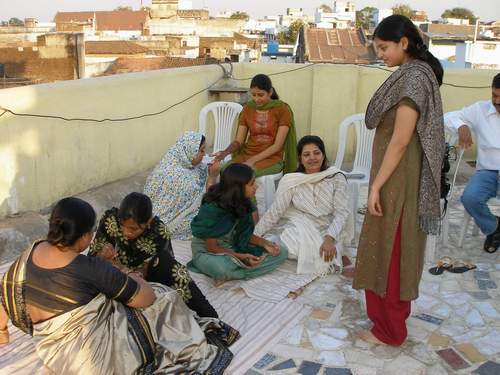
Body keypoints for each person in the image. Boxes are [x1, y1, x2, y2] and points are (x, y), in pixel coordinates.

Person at [0, 197, 238, 374]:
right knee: (164, 296)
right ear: (84, 236)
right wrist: (133, 279)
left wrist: (2, 329)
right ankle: (198, 327)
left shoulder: (28, 254)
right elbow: (147, 299)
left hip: (53, 353)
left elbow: (6, 289)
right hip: (90, 361)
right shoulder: (89, 267)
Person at [352, 15, 445, 346]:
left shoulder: (414, 80)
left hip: (399, 179)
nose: (380, 54)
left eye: (384, 47)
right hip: (395, 175)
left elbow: (402, 139)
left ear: (404, 43)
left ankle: (390, 331)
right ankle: (384, 323)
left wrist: (376, 184)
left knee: (392, 249)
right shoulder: (411, 75)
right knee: (385, 245)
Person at [89, 192, 218, 318]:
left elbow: (153, 270)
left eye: (134, 229)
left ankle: (209, 316)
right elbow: (93, 257)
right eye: (122, 226)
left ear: (149, 221)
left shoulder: (158, 232)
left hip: (143, 281)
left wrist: (124, 269)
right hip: (111, 273)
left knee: (176, 271)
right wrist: (102, 255)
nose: (126, 232)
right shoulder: (110, 219)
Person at [254, 135, 351, 276]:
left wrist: (329, 239)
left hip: (329, 229)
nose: (312, 158)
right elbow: (275, 212)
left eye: (316, 153)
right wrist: (254, 235)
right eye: (306, 154)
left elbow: (342, 213)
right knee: (281, 247)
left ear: (323, 155)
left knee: (328, 252)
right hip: (302, 225)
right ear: (300, 158)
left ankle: (337, 253)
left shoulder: (336, 177)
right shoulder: (292, 180)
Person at [188, 163, 288, 281]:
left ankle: (239, 271)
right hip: (207, 251)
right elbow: (212, 248)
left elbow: (244, 234)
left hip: (232, 244)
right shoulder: (213, 209)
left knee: (281, 252)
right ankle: (240, 270)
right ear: (237, 188)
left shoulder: (243, 202)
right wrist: (241, 257)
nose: (256, 186)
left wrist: (265, 243)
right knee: (222, 268)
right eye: (251, 184)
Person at [444, 73, 500, 253]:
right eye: (494, 95)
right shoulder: (480, 110)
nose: (497, 101)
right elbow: (447, 117)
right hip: (487, 172)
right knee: (470, 198)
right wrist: (461, 126)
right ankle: (494, 229)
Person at [213, 74, 298, 176]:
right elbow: (239, 141)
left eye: (261, 95)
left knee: (243, 175)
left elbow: (277, 146)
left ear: (270, 92)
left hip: (271, 158)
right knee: (225, 171)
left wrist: (253, 160)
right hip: (247, 155)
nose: (256, 99)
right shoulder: (248, 109)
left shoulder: (282, 109)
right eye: (253, 95)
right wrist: (224, 153)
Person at [144, 131, 220, 240]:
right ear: (189, 151)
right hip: (166, 224)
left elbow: (200, 168)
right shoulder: (182, 179)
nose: (204, 154)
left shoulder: (173, 160)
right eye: (201, 150)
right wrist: (212, 177)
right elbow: (207, 201)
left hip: (150, 215)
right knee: (212, 216)